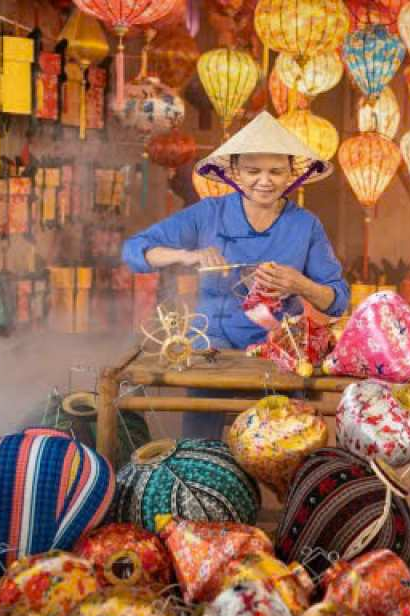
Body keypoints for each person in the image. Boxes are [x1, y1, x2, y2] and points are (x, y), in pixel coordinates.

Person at [122, 112, 350, 439]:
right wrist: (188, 255)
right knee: (201, 434)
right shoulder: (209, 213)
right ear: (236, 174)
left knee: (287, 438)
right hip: (215, 343)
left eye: (276, 171)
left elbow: (337, 301)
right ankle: (204, 466)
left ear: (291, 175)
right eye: (253, 171)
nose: (264, 181)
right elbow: (136, 250)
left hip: (282, 348)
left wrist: (300, 284)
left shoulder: (305, 225)